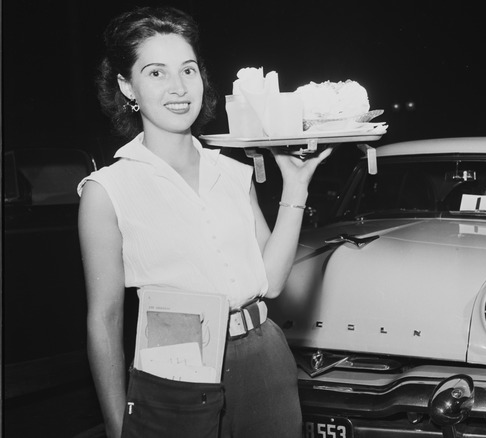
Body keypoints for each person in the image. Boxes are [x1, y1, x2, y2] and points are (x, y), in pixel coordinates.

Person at [78, 7, 331, 438]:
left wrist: (296, 186)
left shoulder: (232, 172)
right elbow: (104, 320)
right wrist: (117, 425)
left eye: (188, 70)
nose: (178, 88)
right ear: (126, 86)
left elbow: (269, 282)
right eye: (155, 73)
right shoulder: (108, 190)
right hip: (176, 364)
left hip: (264, 354)